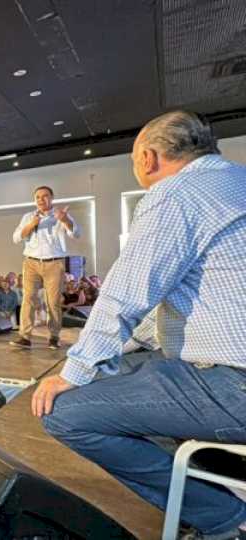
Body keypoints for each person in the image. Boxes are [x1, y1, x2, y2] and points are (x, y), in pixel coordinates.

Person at [32, 111, 246, 539]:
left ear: (147, 158)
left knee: (64, 414)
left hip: (233, 385)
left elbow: (124, 295)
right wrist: (104, 358)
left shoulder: (177, 194)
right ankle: (201, 483)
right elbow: (177, 304)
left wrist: (72, 371)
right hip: (226, 372)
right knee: (123, 370)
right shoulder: (234, 181)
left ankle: (224, 520)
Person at [11, 185, 81, 350]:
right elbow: (16, 238)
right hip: (31, 263)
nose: (41, 200)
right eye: (38, 197)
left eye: (45, 196)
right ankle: (25, 337)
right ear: (34, 200)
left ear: (52, 198)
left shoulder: (60, 215)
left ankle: (54, 337)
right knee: (28, 299)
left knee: (53, 301)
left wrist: (65, 220)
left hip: (54, 263)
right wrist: (31, 225)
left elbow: (76, 234)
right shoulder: (28, 216)